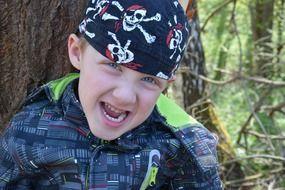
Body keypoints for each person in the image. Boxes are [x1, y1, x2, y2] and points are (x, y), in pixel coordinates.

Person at [0, 0, 222, 189]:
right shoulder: (30, 129)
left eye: (149, 79)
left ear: (165, 85)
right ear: (77, 53)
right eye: (113, 66)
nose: (124, 96)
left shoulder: (186, 147)